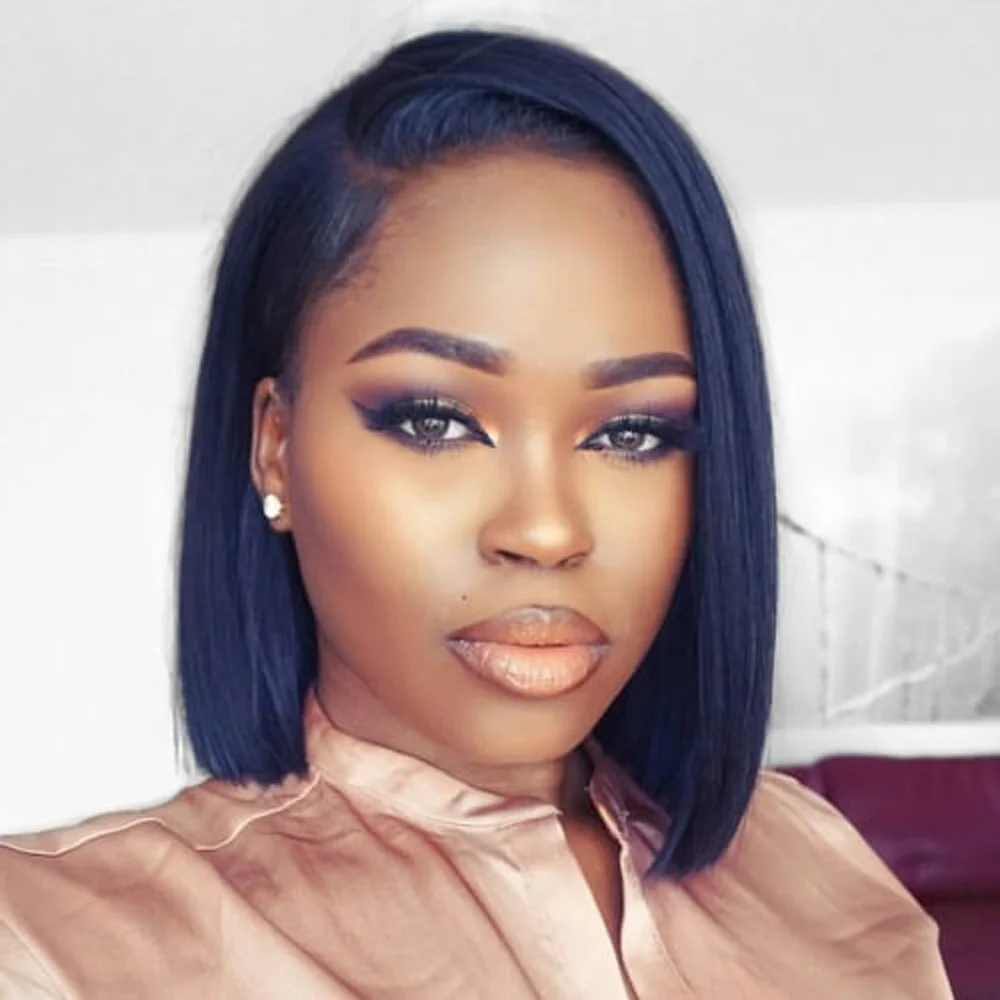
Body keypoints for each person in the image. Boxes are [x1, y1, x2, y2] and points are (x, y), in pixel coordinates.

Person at [0, 26, 952, 999]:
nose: (546, 530)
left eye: (631, 432)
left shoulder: (814, 864)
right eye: (435, 420)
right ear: (275, 445)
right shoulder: (51, 948)